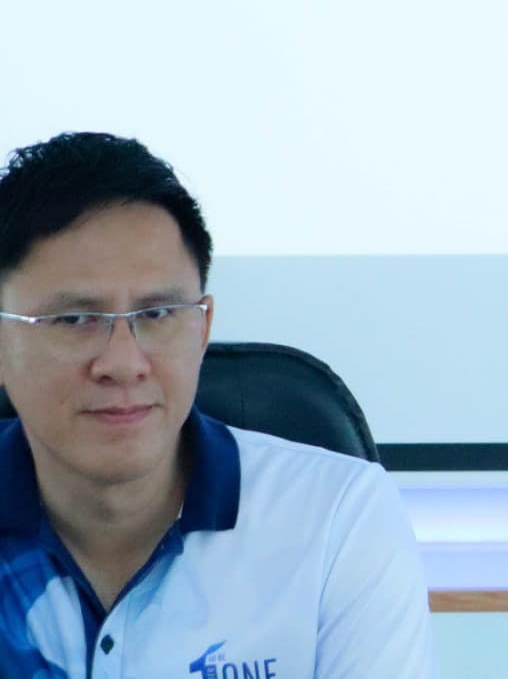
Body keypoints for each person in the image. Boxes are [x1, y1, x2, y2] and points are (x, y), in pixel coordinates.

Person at [0, 132, 438, 677]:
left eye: (156, 314)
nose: (123, 363)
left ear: (202, 329)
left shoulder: (337, 520)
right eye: (74, 319)